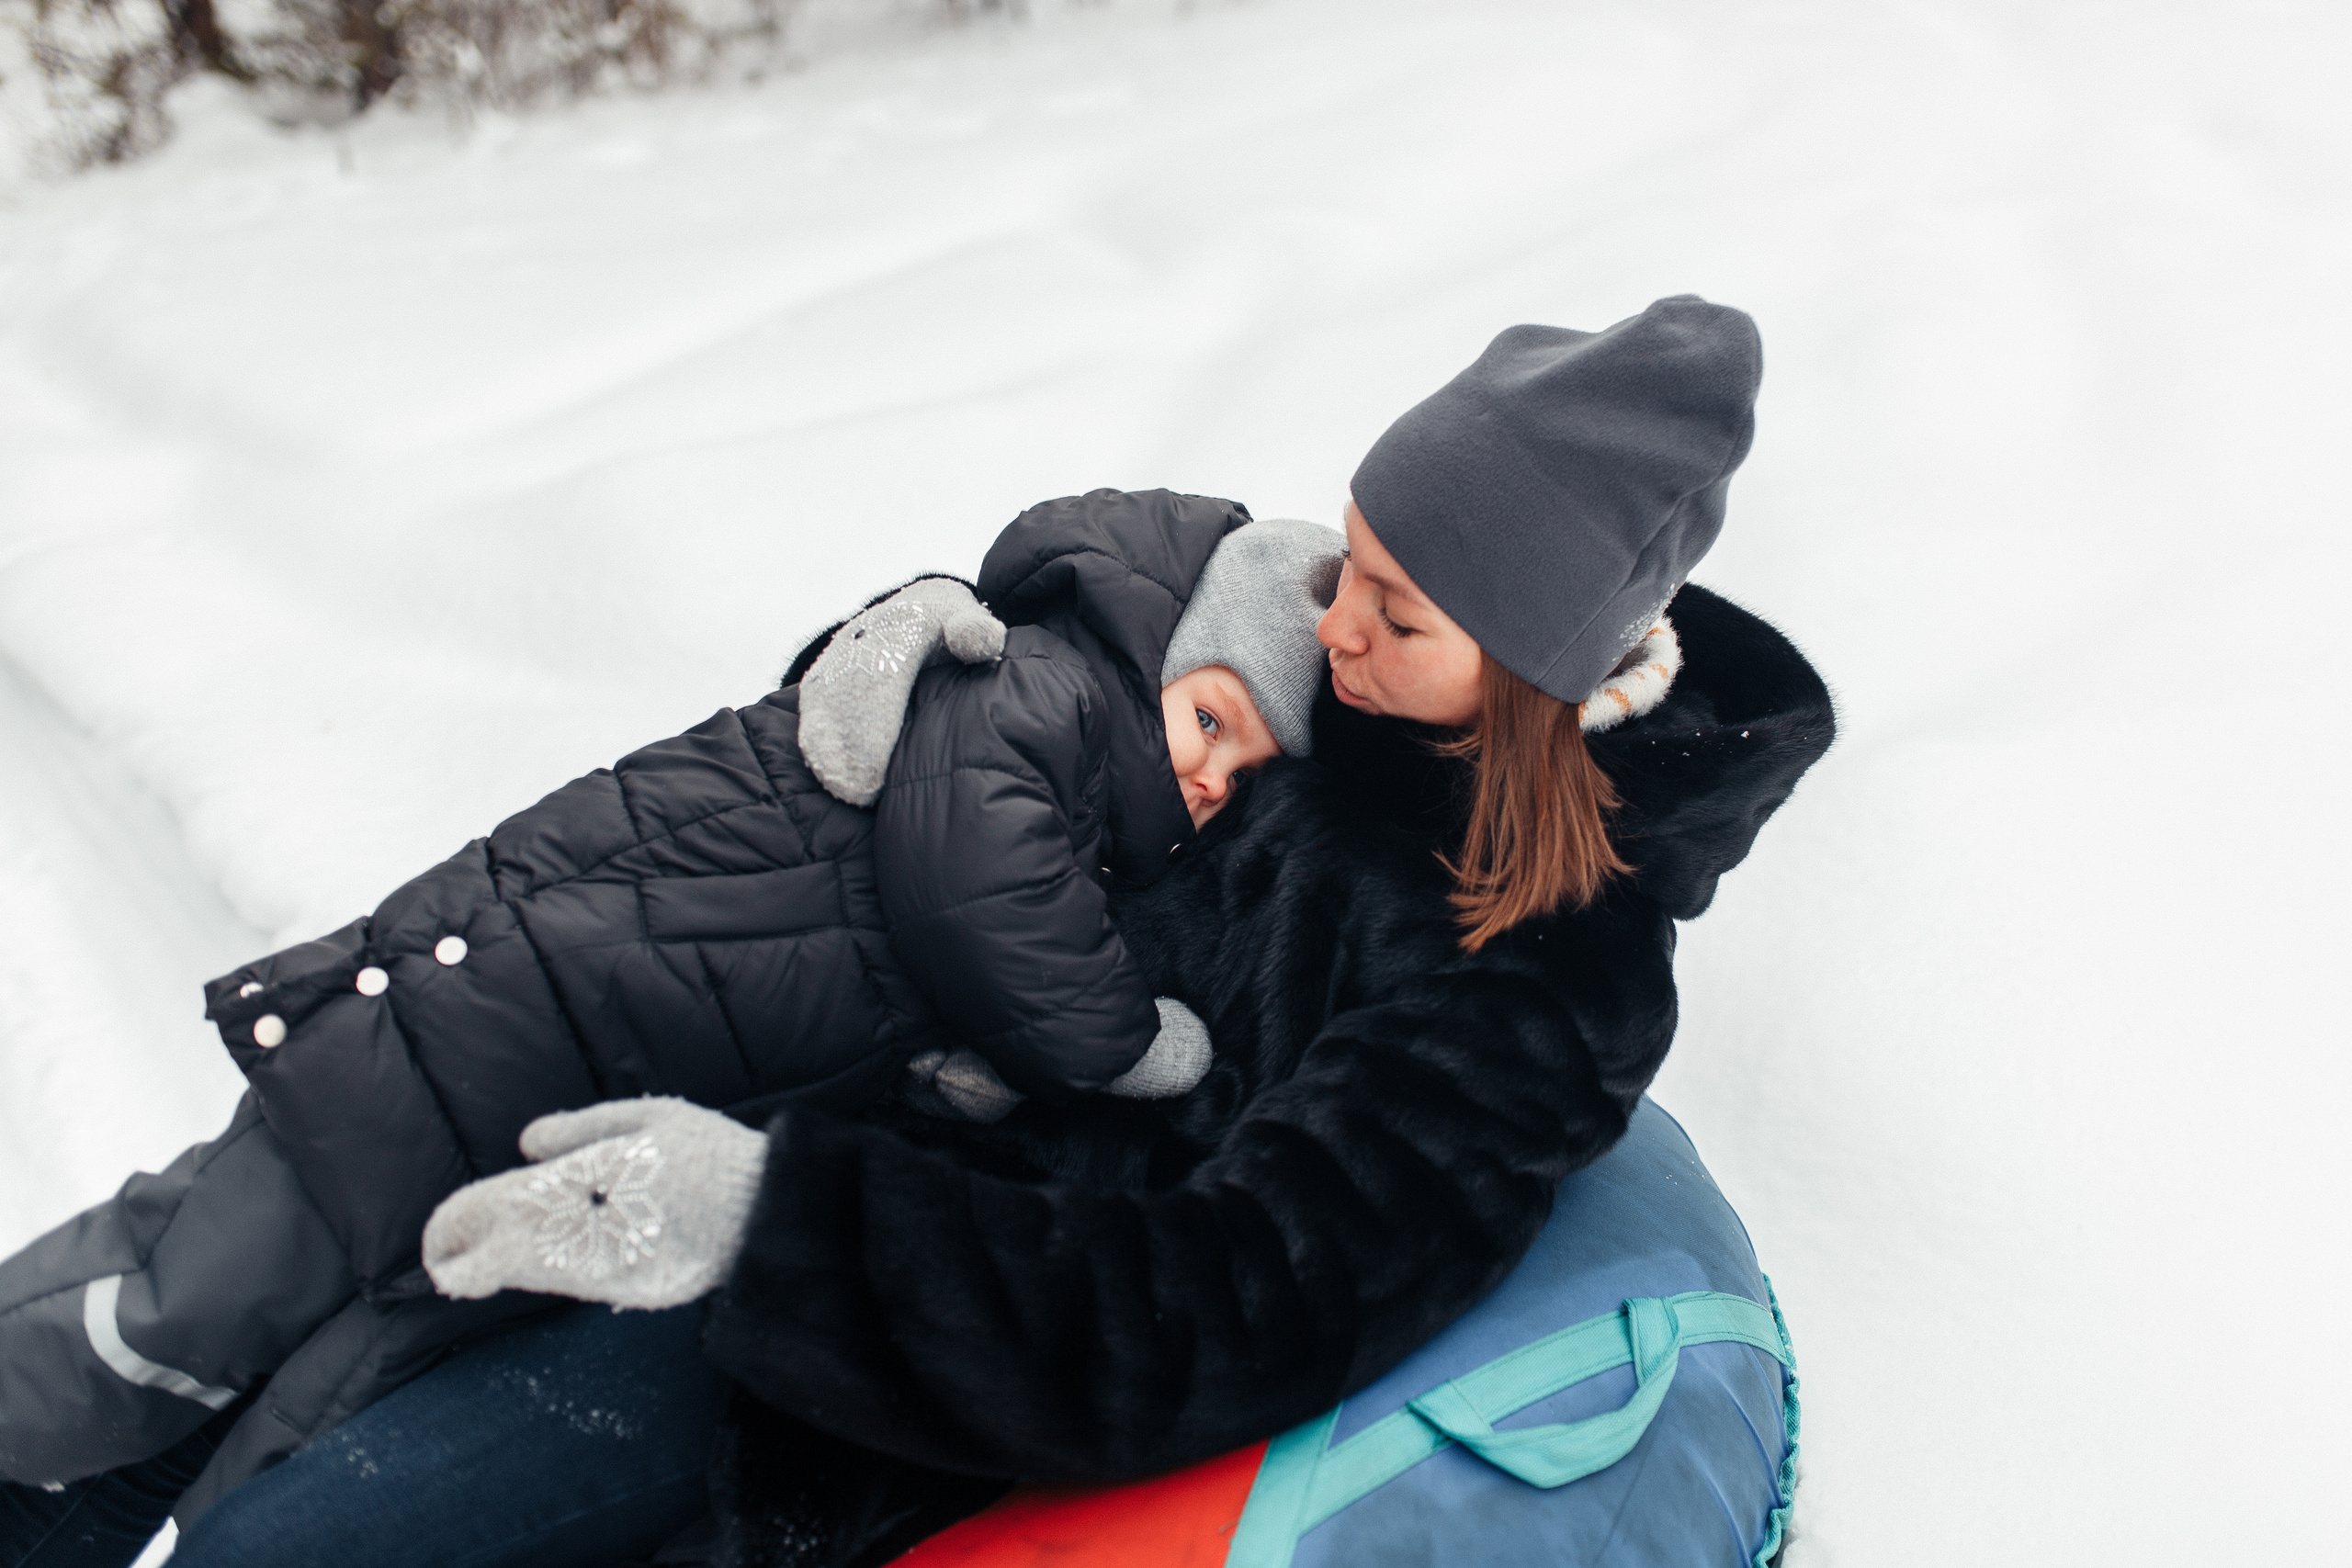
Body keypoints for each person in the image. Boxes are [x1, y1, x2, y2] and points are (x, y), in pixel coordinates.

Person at [9, 295, 1838, 1568]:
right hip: (806, 1087)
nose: (1335, 620)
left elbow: (1230, 1299)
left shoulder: (1524, 979)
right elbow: (1120, 628)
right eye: (1350, 561)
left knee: (302, 1539)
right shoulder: (1360, 697)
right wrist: (948, 638)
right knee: (316, 1246)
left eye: (1394, 606)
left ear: (1535, 665)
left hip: (877, 1322)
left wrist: (766, 1226)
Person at [0, 513, 1348, 1524]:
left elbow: (886, 969)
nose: (1213, 773)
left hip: (556, 1102)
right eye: (1214, 717)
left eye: (1248, 767)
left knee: (309, 1427)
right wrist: (1123, 1043)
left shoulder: (1096, 810)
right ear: (1167, 646)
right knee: (176, 1307)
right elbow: (974, 896)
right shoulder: (1036, 690)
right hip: (483, 1028)